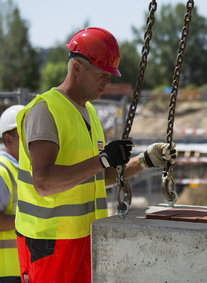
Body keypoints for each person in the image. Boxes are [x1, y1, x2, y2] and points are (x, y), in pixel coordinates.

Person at [14, 27, 176, 283]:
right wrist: (102, 159)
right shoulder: (45, 110)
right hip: (50, 243)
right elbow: (43, 183)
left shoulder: (88, 113)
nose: (107, 82)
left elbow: (96, 178)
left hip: (85, 238)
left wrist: (144, 161)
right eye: (102, 74)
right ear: (77, 69)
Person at [0, 105, 24, 283]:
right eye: (26, 135)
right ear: (9, 139)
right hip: (5, 272)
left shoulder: (21, 169)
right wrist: (31, 219)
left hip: (18, 268)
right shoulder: (2, 171)